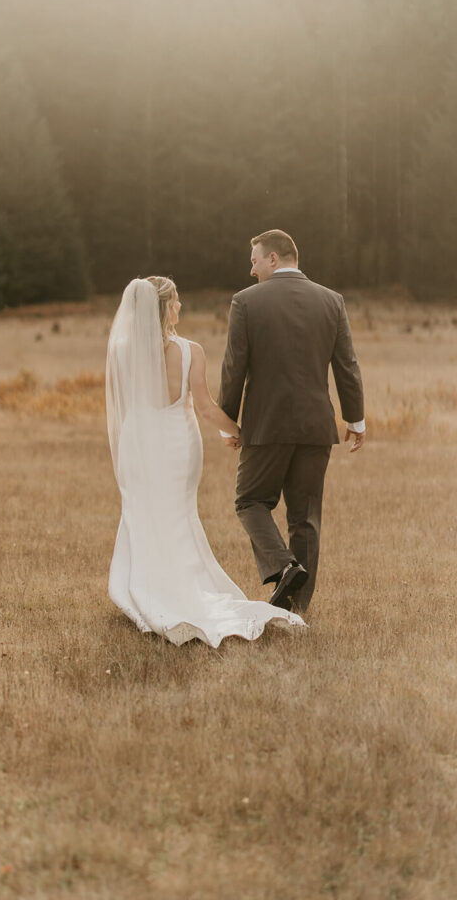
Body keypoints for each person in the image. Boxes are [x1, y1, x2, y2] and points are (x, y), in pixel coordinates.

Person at [106, 275, 305, 647]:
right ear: (164, 307)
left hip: (138, 441)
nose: (180, 306)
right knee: (178, 515)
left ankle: (145, 588)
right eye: (177, 300)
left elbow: (122, 406)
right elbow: (205, 407)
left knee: (144, 511)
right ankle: (179, 587)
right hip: (178, 444)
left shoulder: (121, 350)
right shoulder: (190, 350)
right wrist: (238, 432)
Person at [218, 229, 365, 613]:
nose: (251, 271)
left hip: (265, 426)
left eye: (254, 261)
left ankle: (284, 567)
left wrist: (227, 423)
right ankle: (295, 611)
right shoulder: (332, 301)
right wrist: (356, 418)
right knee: (305, 518)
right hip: (316, 427)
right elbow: (347, 365)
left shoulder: (245, 303)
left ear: (273, 258)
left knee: (250, 500)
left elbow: (234, 368)